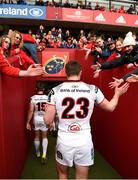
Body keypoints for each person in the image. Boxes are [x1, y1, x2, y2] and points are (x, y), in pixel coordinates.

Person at [44, 60, 129, 179]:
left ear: (65, 72)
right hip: (84, 141)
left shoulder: (55, 91)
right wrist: (117, 94)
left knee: (62, 174)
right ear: (81, 72)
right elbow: (110, 107)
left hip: (64, 140)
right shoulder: (92, 89)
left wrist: (47, 109)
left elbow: (47, 121)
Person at [26, 83, 49, 164]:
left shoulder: (33, 98)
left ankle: (38, 153)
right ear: (43, 89)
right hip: (44, 119)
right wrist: (51, 122)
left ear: (36, 89)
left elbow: (31, 111)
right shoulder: (47, 98)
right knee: (44, 137)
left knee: (36, 137)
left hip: (36, 119)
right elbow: (50, 111)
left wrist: (27, 122)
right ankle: (44, 154)